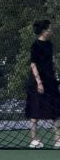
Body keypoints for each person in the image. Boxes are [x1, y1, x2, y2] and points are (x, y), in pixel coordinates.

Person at [25, 19, 60, 148]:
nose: (51, 30)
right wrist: (39, 82)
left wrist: (54, 76)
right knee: (35, 109)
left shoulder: (49, 45)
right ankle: (34, 140)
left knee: (56, 110)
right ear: (44, 31)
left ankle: (58, 139)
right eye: (49, 29)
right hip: (37, 81)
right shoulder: (35, 45)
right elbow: (33, 64)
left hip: (50, 80)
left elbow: (51, 62)